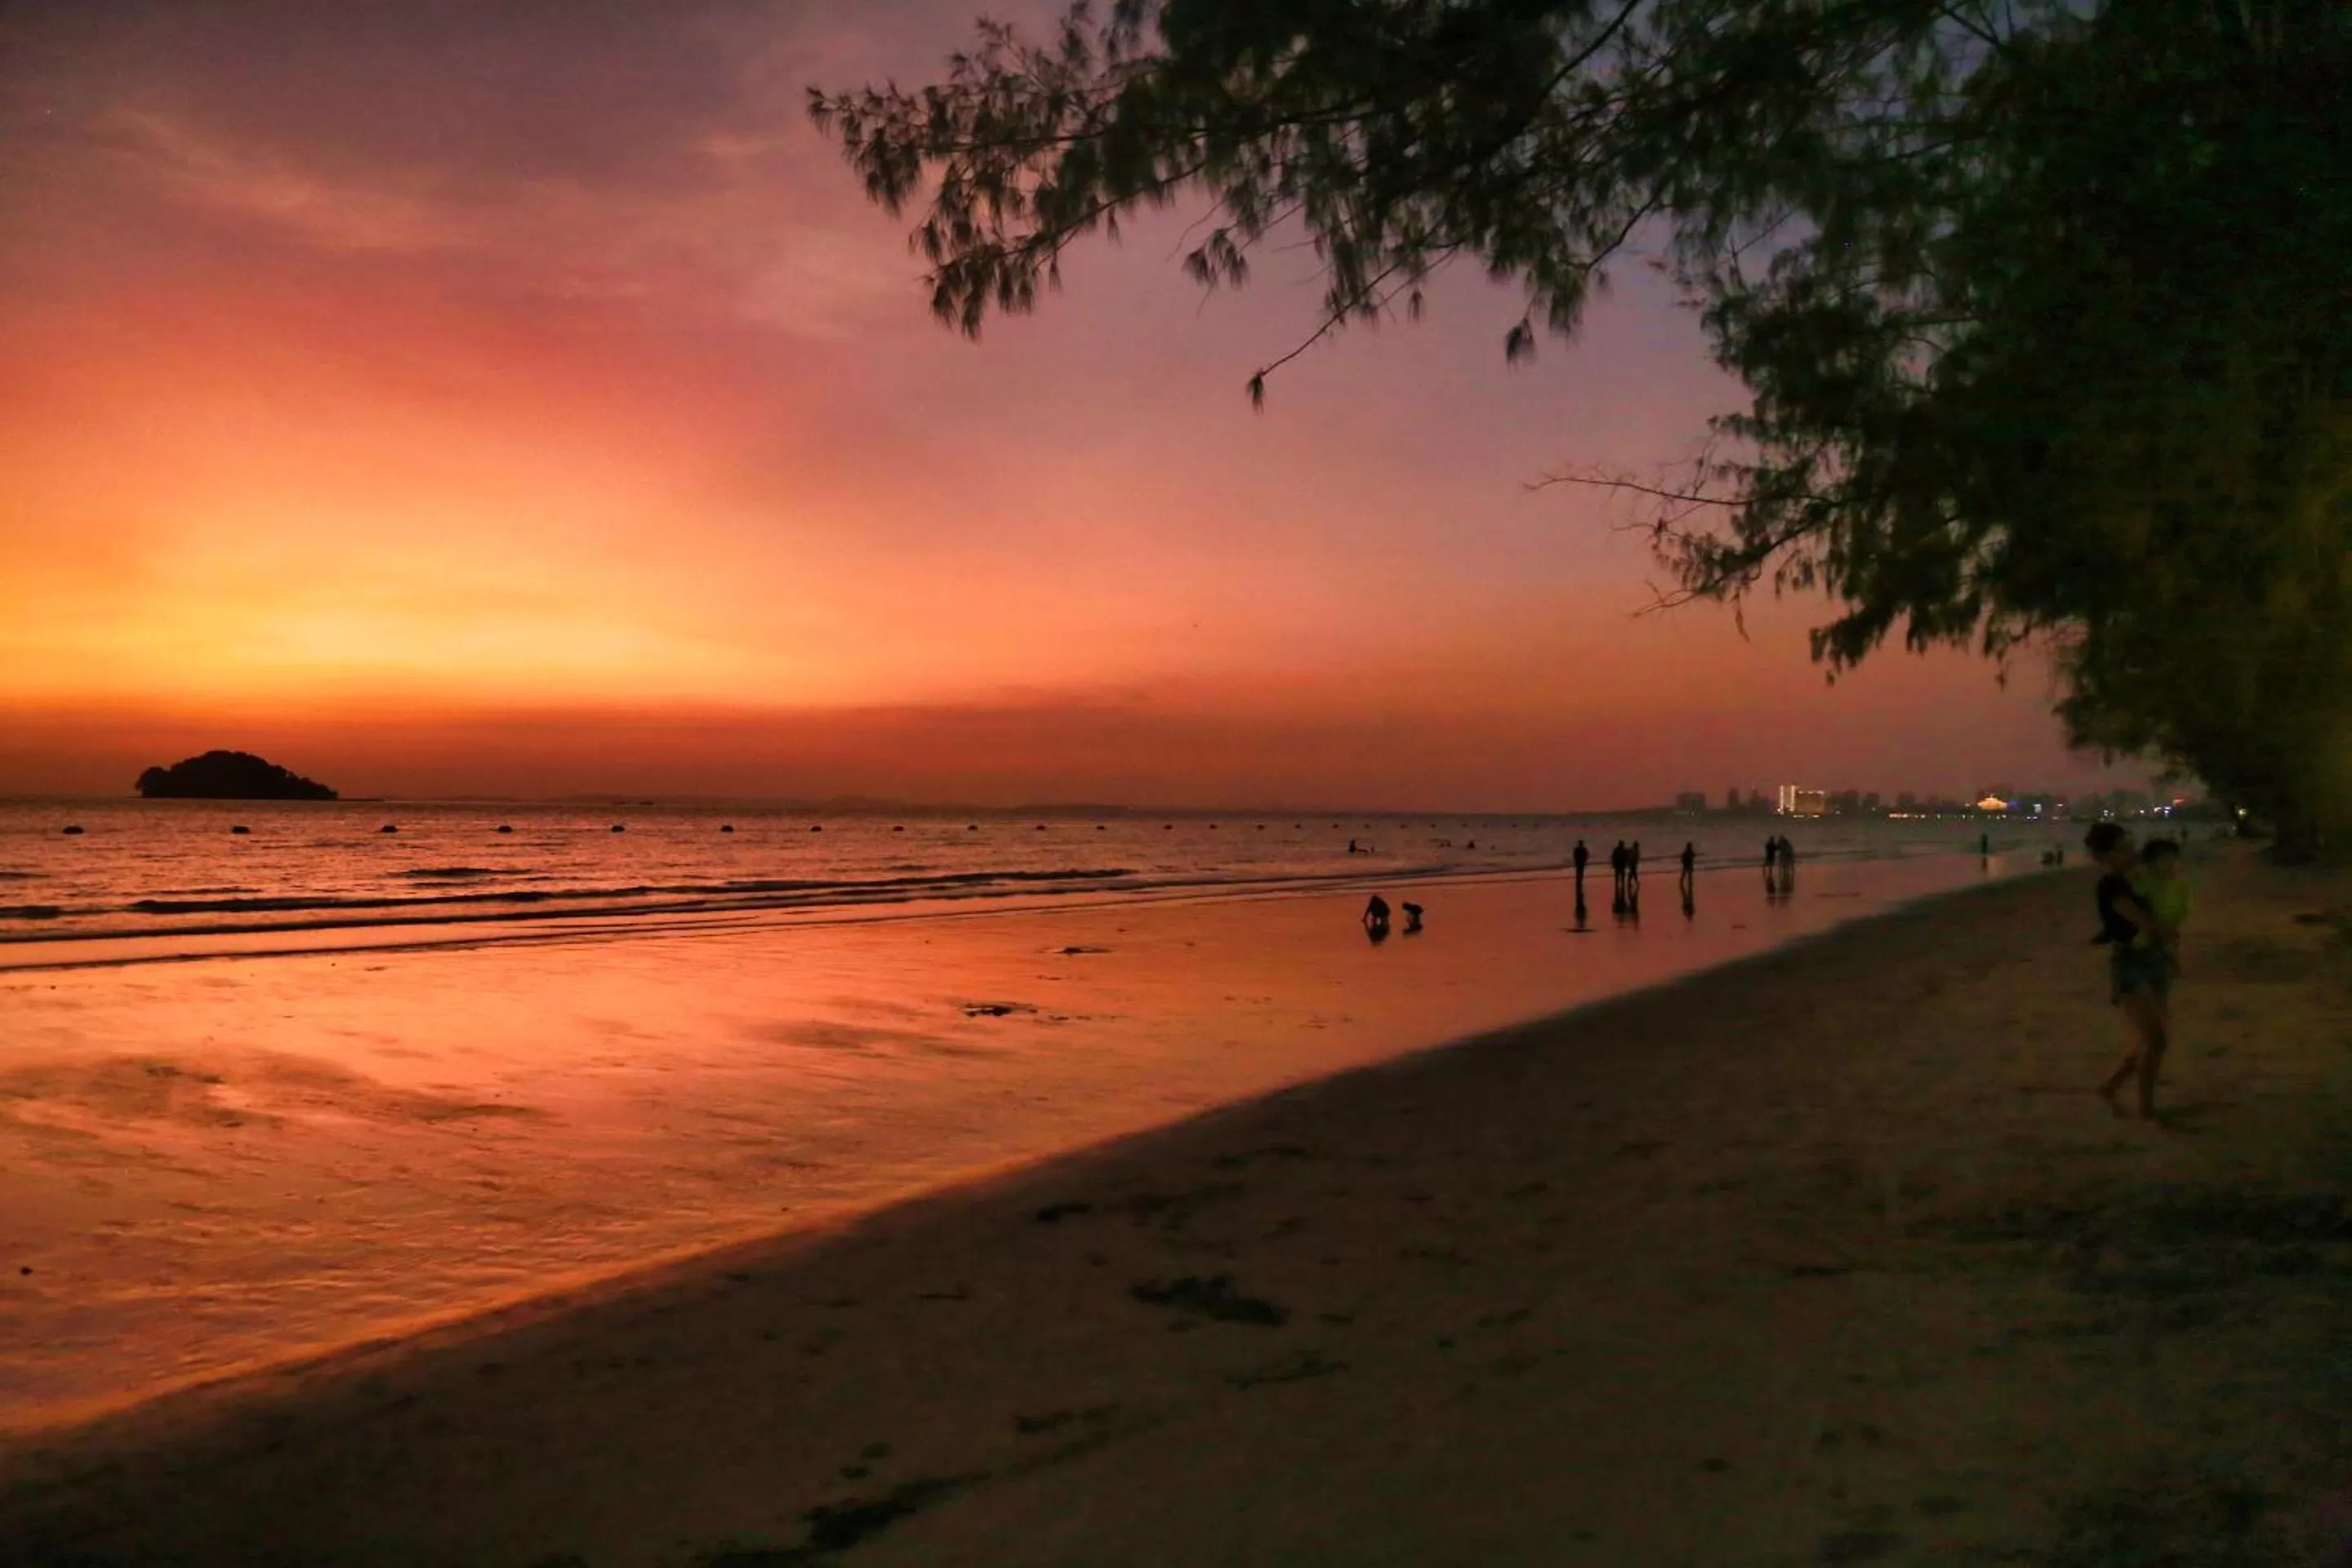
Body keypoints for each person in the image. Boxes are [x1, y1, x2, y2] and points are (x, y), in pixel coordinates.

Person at [2086, 822, 2167, 1119]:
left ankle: (2111, 1086)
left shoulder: (2135, 880)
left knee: (2150, 1038)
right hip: (2131, 963)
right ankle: (2146, 1108)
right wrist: (2161, 927)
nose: (2130, 852)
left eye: (2129, 844)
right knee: (2156, 1039)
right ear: (2102, 856)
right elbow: (2143, 922)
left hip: (2154, 959)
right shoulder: (2111, 885)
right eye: (2121, 849)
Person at [2134, 839, 2190, 973]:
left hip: (2172, 923)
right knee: (2155, 946)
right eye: (2164, 860)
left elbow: (2184, 904)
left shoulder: (2179, 884)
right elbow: (2141, 903)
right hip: (2153, 924)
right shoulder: (2147, 883)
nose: (2170, 864)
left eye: (2173, 859)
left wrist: (2178, 920)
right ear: (2151, 863)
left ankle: (2172, 963)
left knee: (2172, 944)